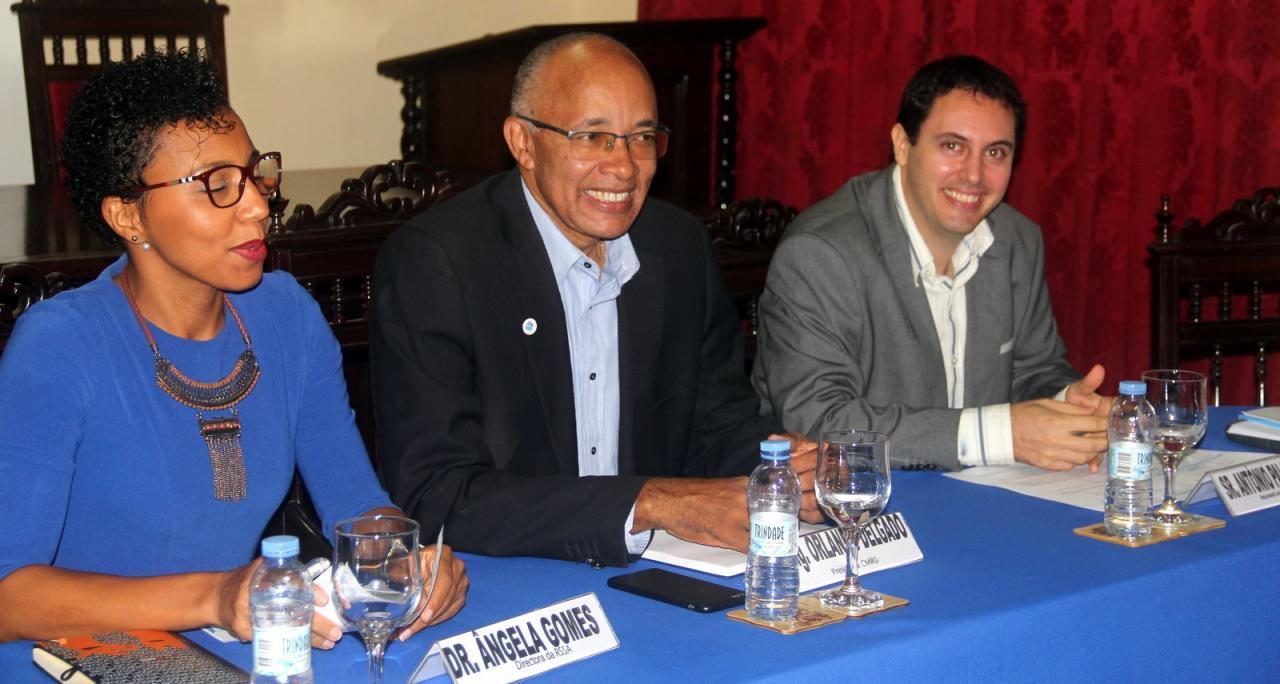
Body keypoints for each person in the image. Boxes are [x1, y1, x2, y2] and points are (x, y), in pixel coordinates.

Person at [0, 51, 466, 645]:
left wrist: (405, 557)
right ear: (127, 215)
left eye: (254, 174)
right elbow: (8, 595)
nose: (257, 205)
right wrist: (216, 597)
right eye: (217, 185)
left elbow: (355, 504)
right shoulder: (62, 345)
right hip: (84, 658)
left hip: (225, 655)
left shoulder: (286, 314)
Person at [371, 33, 818, 569]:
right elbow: (437, 492)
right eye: (592, 137)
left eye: (642, 137)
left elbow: (715, 422)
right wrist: (648, 503)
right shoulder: (439, 262)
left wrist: (782, 463)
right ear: (523, 142)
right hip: (507, 576)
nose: (625, 167)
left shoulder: (676, 248)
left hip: (657, 568)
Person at [752, 55, 1111, 472]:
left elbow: (1032, 370)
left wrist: (1069, 405)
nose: (974, 175)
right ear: (903, 145)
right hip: (853, 506)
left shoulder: (1017, 240)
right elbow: (822, 421)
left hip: (983, 497)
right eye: (953, 146)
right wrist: (1004, 434)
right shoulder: (820, 254)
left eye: (995, 152)